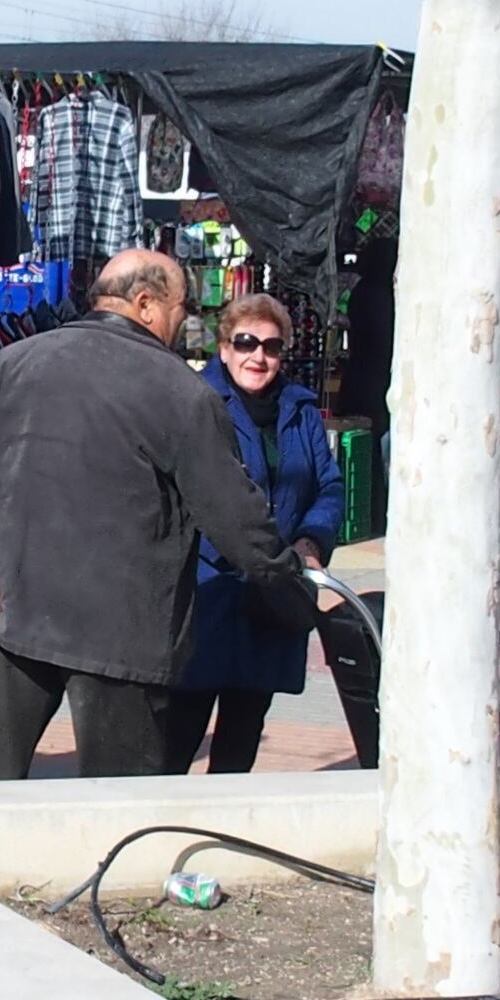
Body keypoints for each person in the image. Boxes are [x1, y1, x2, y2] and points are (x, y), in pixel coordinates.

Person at [0, 249, 310, 780]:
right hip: (123, 637)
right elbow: (237, 516)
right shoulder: (180, 391)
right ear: (147, 303)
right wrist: (295, 590)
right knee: (120, 812)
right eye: (183, 306)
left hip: (12, 608)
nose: (186, 320)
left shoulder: (17, 359)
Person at [166, 293, 347, 773]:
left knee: (244, 730)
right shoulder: (195, 402)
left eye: (271, 346)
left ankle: (225, 830)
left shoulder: (300, 408)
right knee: (180, 730)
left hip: (274, 592)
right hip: (209, 591)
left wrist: (311, 540)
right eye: (245, 342)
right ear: (224, 347)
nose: (258, 356)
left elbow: (328, 485)